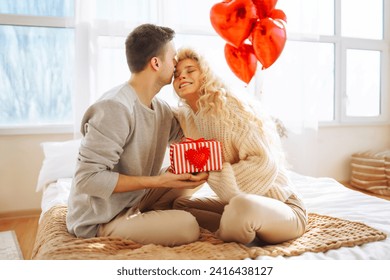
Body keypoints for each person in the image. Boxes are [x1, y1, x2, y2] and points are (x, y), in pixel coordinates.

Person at [66, 24, 208, 247]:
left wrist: (194, 95)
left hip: (137, 199)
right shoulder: (115, 107)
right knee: (188, 225)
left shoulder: (160, 109)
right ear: (156, 63)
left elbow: (189, 140)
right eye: (173, 58)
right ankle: (138, 223)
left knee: (191, 177)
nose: (176, 66)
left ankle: (149, 218)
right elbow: (87, 179)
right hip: (102, 217)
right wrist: (159, 181)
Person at [172, 47, 307, 245]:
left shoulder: (229, 108)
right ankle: (240, 226)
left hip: (283, 206)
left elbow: (264, 164)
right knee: (180, 205)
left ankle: (238, 228)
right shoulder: (190, 117)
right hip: (238, 206)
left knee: (242, 206)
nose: (182, 76)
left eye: (190, 70)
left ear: (205, 74)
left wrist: (211, 174)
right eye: (176, 74)